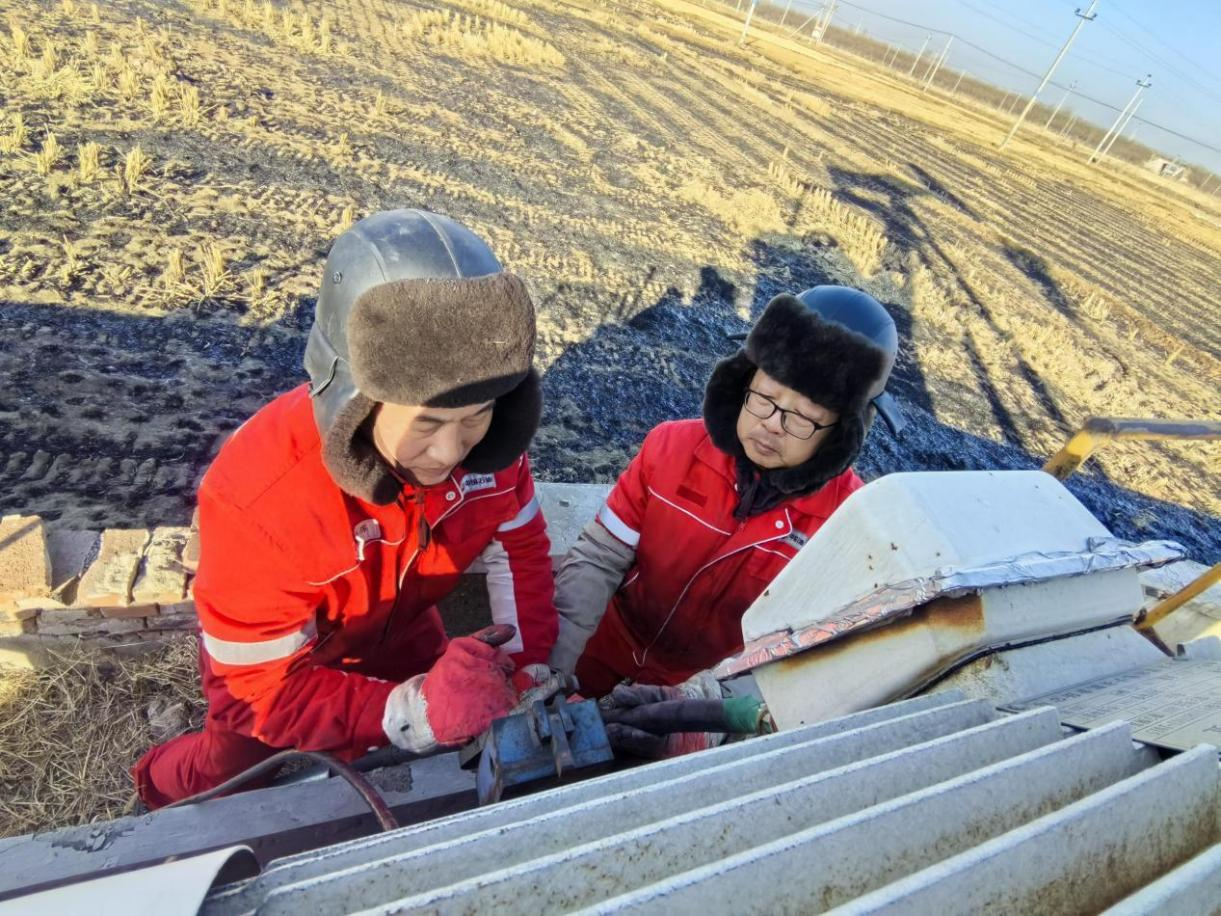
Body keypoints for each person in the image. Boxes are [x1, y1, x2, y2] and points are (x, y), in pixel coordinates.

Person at [134, 209, 559, 807]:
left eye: (475, 416)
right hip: (278, 675)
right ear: (356, 401)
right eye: (428, 422)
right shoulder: (259, 498)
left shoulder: (491, 456)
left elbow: (523, 550)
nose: (449, 452)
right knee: (232, 770)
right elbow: (255, 694)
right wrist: (407, 710)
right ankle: (153, 789)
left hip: (405, 629)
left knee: (433, 734)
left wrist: (525, 664)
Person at [548, 286, 904, 708]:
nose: (772, 424)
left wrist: (702, 708)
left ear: (842, 433)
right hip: (602, 646)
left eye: (804, 417)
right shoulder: (670, 448)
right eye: (766, 397)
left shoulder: (846, 526)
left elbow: (808, 651)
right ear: (743, 381)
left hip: (700, 694)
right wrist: (555, 664)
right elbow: (599, 556)